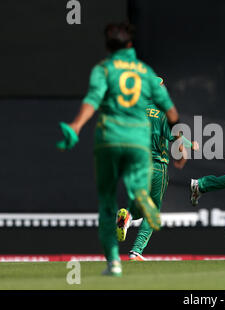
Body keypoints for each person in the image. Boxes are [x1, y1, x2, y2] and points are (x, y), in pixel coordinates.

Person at [57, 23, 180, 276]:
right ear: (130, 46)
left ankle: (113, 260)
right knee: (146, 190)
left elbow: (92, 99)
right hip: (138, 145)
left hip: (109, 140)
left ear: (107, 47)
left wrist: (76, 126)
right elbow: (170, 110)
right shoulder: (145, 72)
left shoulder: (103, 69)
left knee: (107, 203)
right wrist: (181, 142)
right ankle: (141, 208)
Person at [117, 82, 199, 261]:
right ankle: (136, 251)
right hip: (156, 165)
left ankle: (128, 217)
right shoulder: (162, 113)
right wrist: (189, 145)